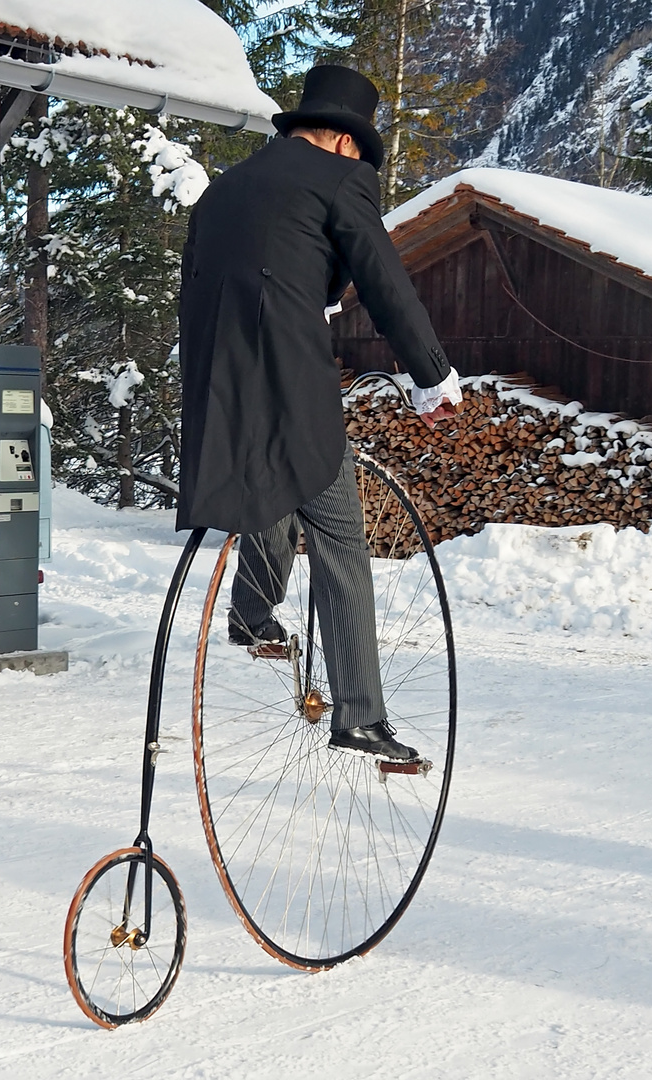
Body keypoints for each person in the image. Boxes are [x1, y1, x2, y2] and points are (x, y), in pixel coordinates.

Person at [176, 64, 462, 761]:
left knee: (267, 488)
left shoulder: (223, 191)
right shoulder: (341, 179)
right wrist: (433, 374)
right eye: (363, 155)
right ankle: (359, 712)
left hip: (216, 388)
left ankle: (249, 615)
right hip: (289, 381)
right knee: (339, 535)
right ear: (343, 142)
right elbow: (384, 277)